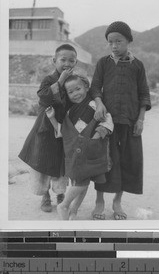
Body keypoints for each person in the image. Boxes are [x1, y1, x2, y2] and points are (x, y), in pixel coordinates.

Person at [90, 21, 151, 220]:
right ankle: (99, 201)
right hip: (107, 122)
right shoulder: (103, 63)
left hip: (130, 122)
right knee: (104, 161)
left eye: (119, 41)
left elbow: (144, 94)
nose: (114, 45)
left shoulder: (138, 65)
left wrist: (140, 119)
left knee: (127, 161)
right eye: (110, 42)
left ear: (128, 41)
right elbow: (95, 87)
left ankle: (117, 202)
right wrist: (99, 104)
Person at [18, 44, 77, 212]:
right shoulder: (48, 80)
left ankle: (60, 194)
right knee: (43, 162)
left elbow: (77, 99)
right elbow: (43, 99)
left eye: (71, 60)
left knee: (61, 164)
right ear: (54, 61)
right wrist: (59, 82)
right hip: (45, 127)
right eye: (63, 59)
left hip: (63, 128)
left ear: (76, 62)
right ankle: (45, 196)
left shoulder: (74, 81)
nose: (67, 63)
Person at [46, 74, 114, 220]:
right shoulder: (70, 112)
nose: (75, 94)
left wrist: (96, 136)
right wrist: (52, 117)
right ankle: (64, 205)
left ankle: (73, 210)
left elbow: (107, 120)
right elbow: (62, 132)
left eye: (78, 89)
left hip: (91, 148)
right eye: (70, 92)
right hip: (75, 152)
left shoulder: (95, 105)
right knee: (81, 182)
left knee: (85, 182)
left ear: (86, 87)